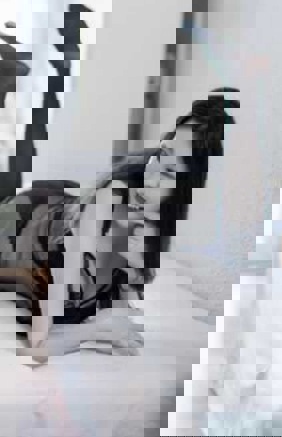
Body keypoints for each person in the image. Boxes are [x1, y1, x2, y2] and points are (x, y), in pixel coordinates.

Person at [0, 88, 239, 352]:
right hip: (23, 230)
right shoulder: (107, 204)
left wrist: (104, 325)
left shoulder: (146, 236)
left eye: (169, 172)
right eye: (162, 155)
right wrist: (92, 331)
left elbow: (118, 310)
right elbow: (35, 343)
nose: (153, 176)